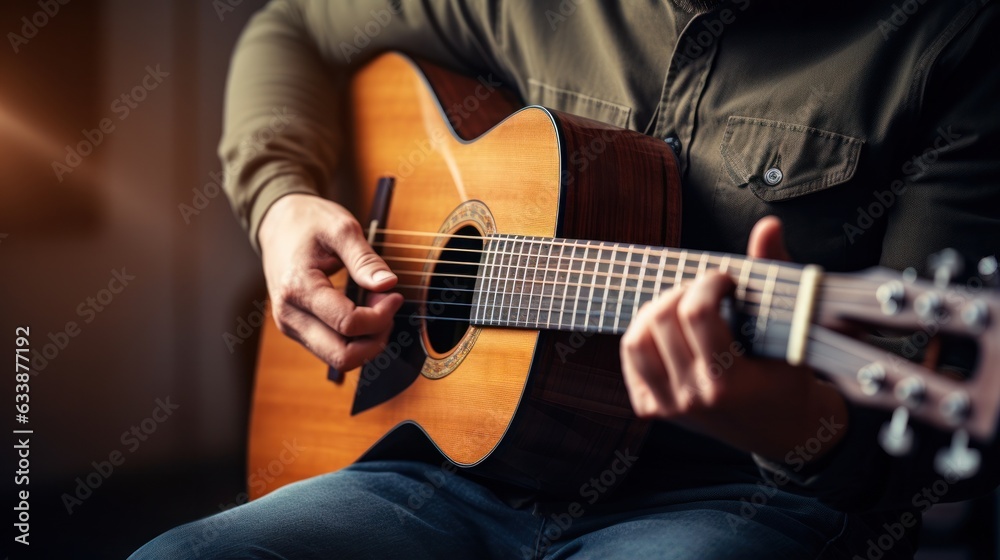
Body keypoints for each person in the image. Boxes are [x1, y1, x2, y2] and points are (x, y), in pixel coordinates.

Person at [131, 0, 1000, 558]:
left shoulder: (952, 43)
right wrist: (280, 204)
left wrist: (761, 408)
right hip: (442, 464)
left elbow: (910, 452)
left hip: (736, 503)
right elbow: (292, 29)